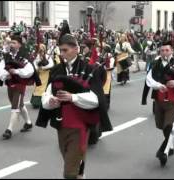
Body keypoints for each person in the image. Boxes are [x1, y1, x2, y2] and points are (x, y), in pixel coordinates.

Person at [36, 34, 112, 179]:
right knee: (76, 168)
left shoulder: (89, 69)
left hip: (81, 125)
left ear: (76, 49)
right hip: (61, 124)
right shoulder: (57, 70)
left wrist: (73, 97)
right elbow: (46, 95)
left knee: (69, 172)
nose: (62, 54)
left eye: (65, 50)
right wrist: (50, 102)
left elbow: (96, 99)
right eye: (61, 50)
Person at [142, 41, 174, 167]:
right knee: (161, 125)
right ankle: (170, 146)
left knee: (169, 126)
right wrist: (158, 85)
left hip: (173, 100)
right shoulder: (155, 64)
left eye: (167, 50)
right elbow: (149, 79)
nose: (164, 52)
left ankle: (163, 152)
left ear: (171, 51)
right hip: (159, 100)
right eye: (162, 50)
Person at [0, 34, 36, 140]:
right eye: (11, 43)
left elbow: (30, 70)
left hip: (20, 84)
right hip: (10, 84)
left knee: (15, 106)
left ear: (19, 45)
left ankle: (9, 129)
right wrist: (6, 75)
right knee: (20, 104)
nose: (11, 45)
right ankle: (28, 123)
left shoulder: (24, 56)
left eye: (14, 43)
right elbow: (0, 69)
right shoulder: (6, 56)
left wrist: (17, 71)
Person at [30, 44, 54, 109]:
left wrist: (43, 67)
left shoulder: (47, 56)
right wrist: (38, 68)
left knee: (44, 87)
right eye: (40, 49)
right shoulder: (37, 57)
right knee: (38, 86)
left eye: (42, 49)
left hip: (46, 74)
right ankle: (35, 102)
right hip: (39, 74)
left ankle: (43, 101)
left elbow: (51, 64)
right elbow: (34, 64)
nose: (41, 50)